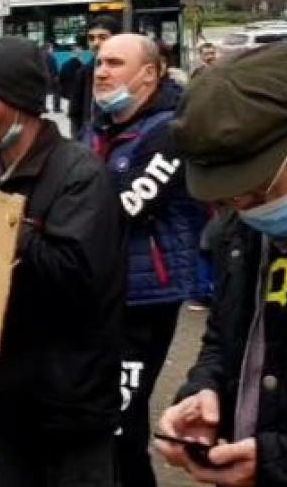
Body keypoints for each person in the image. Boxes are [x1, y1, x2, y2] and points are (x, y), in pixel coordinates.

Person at [0, 37, 125, 486]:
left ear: (20, 103)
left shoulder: (81, 174)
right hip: (1, 399)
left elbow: (76, 277)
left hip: (68, 404)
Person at [156, 43, 287, 487]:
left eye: (257, 191)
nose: (244, 210)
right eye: (226, 200)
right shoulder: (239, 230)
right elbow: (224, 337)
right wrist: (202, 392)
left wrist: (277, 462)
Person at [84, 33, 208, 487]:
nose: (101, 72)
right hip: (102, 292)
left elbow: (127, 206)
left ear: (150, 74)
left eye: (115, 63)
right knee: (105, 418)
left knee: (121, 423)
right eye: (99, 62)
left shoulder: (171, 132)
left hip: (144, 298)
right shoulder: (100, 126)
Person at [67, 15, 120, 137]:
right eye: (91, 38)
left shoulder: (129, 69)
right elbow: (75, 112)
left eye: (103, 37)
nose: (96, 43)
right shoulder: (83, 72)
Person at [43, 41, 62, 113]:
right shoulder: (51, 57)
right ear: (48, 48)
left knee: (43, 93)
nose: (52, 49)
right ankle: (56, 108)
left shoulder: (41, 56)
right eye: (51, 48)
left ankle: (43, 108)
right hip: (51, 78)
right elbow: (54, 69)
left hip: (43, 77)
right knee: (57, 91)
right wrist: (56, 76)